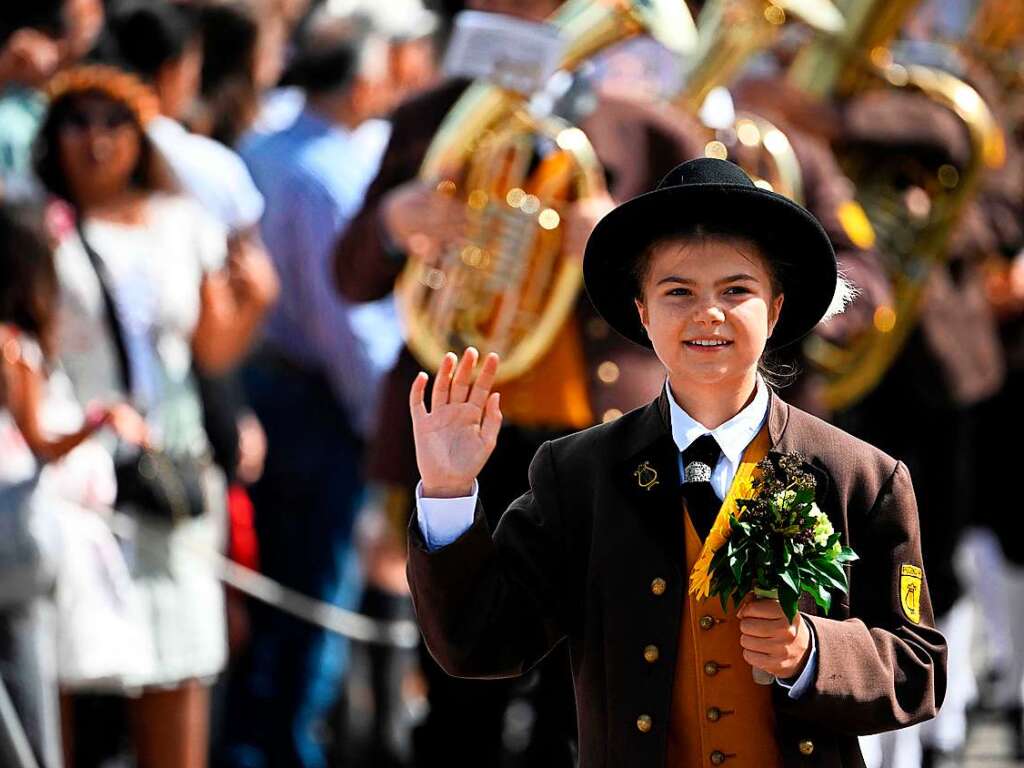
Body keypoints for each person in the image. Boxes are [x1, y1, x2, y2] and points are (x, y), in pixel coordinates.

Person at [406, 157, 947, 768]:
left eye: (736, 291)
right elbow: (481, 642)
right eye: (678, 291)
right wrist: (448, 491)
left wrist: (813, 650)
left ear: (774, 310)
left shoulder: (863, 477)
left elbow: (919, 670)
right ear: (642, 312)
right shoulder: (578, 475)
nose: (708, 313)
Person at [333, 0, 704, 760]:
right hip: (467, 443)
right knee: (461, 685)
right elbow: (349, 273)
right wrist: (391, 225)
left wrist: (616, 241)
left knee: (593, 692)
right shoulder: (428, 116)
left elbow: (708, 291)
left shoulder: (648, 127)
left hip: (602, 442)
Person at [33, 64, 276, 768]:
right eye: (78, 121)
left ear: (141, 137)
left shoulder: (181, 221)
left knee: (178, 660)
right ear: (55, 134)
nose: (98, 141)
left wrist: (254, 303)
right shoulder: (30, 223)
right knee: (63, 672)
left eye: (115, 123)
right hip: (72, 473)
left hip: (169, 469)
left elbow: (210, 349)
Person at [221, 12, 401, 768]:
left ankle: (255, 744)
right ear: (361, 82)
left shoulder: (265, 145)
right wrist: (379, 424)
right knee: (311, 606)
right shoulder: (328, 173)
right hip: (319, 403)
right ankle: (288, 751)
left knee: (273, 599)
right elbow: (348, 330)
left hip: (263, 386)